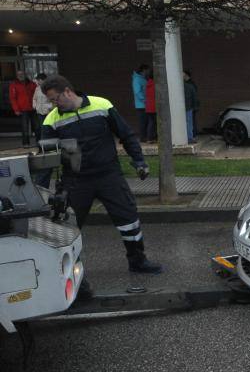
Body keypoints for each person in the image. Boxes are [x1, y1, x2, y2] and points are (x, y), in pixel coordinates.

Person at [39, 75, 162, 286]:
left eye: (55, 99)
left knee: (128, 218)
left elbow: (126, 134)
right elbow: (46, 160)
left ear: (68, 91)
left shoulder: (101, 105)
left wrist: (139, 160)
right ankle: (72, 273)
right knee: (69, 227)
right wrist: (39, 189)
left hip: (108, 175)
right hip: (76, 181)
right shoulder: (51, 120)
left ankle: (138, 261)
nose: (53, 104)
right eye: (51, 101)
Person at [10, 69, 37, 146]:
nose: (20, 76)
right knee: (25, 128)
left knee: (37, 126)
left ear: (25, 74)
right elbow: (13, 98)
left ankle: (39, 142)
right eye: (19, 74)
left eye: (22, 74)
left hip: (33, 108)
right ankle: (26, 144)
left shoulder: (32, 84)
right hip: (22, 109)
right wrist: (16, 109)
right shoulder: (14, 85)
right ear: (17, 76)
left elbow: (37, 95)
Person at [132, 64, 150, 139]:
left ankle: (145, 137)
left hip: (144, 104)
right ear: (143, 70)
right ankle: (143, 137)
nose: (149, 72)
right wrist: (144, 100)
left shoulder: (142, 79)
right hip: (141, 105)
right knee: (143, 122)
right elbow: (137, 91)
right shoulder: (137, 79)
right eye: (147, 70)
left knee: (146, 122)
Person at [32, 73, 52, 139]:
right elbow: (34, 98)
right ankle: (40, 144)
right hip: (39, 112)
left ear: (42, 80)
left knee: (47, 128)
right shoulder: (37, 89)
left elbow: (54, 100)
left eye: (38, 80)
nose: (37, 82)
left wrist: (49, 107)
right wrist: (35, 105)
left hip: (48, 112)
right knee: (39, 128)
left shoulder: (49, 88)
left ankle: (47, 144)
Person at [183, 70, 198, 144]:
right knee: (189, 123)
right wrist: (195, 106)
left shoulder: (179, 86)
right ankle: (190, 137)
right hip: (188, 107)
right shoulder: (190, 86)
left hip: (182, 107)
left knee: (188, 122)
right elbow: (194, 97)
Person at [144, 71, 157, 143]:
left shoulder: (148, 84)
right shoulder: (155, 85)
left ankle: (150, 138)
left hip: (148, 107)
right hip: (154, 107)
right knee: (155, 123)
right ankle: (153, 137)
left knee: (151, 123)